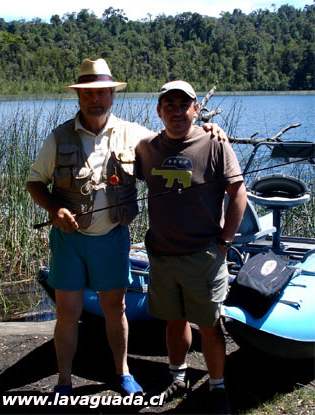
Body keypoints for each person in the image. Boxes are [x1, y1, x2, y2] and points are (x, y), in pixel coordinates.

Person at [27, 59, 227, 398]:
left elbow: (174, 141)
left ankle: (122, 372)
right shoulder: (58, 137)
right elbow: (35, 182)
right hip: (69, 241)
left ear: (112, 96)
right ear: (79, 97)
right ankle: (63, 381)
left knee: (115, 309)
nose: (97, 99)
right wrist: (55, 208)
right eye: (89, 93)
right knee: (67, 312)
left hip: (113, 238)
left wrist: (208, 130)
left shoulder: (134, 134)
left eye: (103, 92)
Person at [136, 80, 247, 414]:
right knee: (173, 320)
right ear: (159, 111)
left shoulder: (214, 143)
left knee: (211, 325)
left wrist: (225, 243)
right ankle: (177, 375)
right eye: (168, 105)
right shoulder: (146, 147)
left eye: (183, 105)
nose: (176, 111)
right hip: (162, 255)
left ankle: (217, 388)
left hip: (204, 256)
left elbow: (238, 195)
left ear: (196, 109)